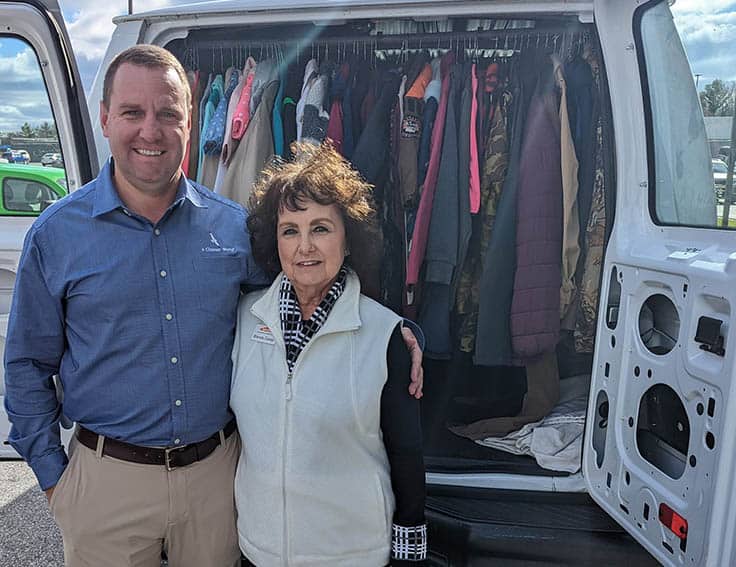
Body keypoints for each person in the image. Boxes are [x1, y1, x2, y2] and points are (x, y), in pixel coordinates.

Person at [3, 44, 423, 567]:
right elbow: (25, 365)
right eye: (132, 112)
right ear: (105, 118)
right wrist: (53, 478)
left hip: (216, 482)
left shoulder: (234, 229)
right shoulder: (56, 236)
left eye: (168, 113)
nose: (150, 131)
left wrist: (396, 331)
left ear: (191, 119)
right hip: (106, 484)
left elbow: (309, 279)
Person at [231, 142, 426, 566]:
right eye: (290, 230)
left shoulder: (386, 335)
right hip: (258, 553)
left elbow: (406, 452)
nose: (305, 246)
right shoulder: (244, 320)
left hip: (351, 556)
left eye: (320, 228)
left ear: (348, 237)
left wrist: (410, 552)